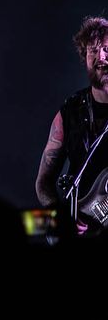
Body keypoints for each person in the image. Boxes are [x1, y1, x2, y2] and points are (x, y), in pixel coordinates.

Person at [35, 16, 108, 233]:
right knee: (27, 225)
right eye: (93, 51)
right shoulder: (70, 112)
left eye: (106, 49)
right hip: (79, 234)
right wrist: (59, 216)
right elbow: (43, 182)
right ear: (85, 58)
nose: (101, 57)